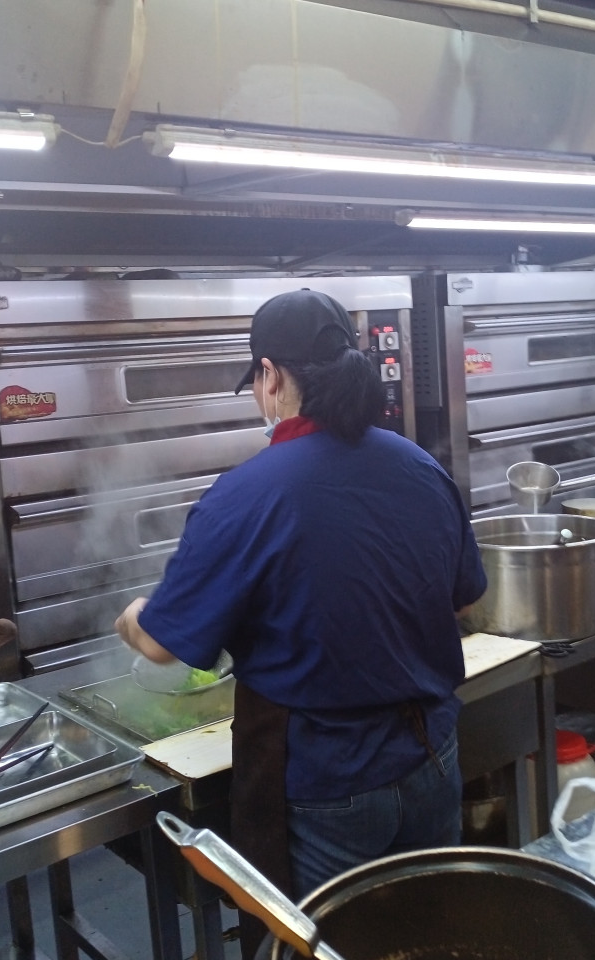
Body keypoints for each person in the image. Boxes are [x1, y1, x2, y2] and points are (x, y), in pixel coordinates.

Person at [115, 288, 486, 957]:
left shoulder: (247, 493)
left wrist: (133, 617)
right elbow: (461, 601)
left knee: (327, 947)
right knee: (430, 938)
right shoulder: (420, 466)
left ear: (270, 375)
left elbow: (164, 645)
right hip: (432, 757)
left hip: (330, 786)